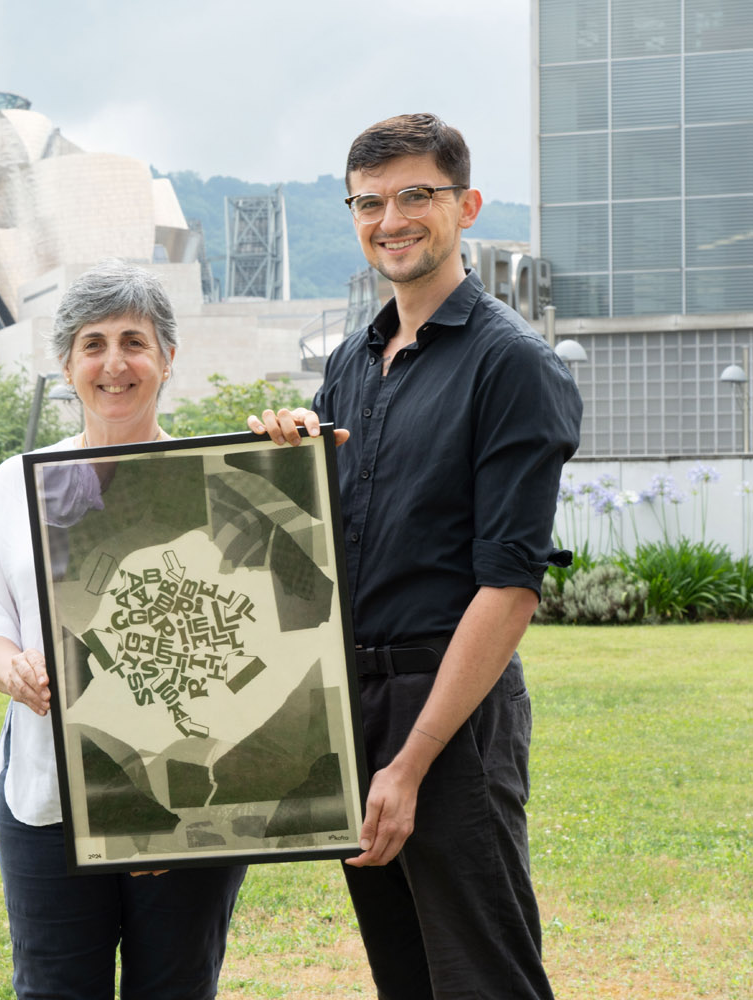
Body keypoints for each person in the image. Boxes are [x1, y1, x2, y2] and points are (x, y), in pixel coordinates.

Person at [250, 113, 582, 1000]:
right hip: (352, 704)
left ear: (466, 206)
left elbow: (509, 588)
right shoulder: (353, 363)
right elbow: (317, 548)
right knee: (404, 977)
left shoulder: (512, 364)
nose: (390, 220)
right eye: (369, 203)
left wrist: (410, 763)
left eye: (415, 196)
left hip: (449, 713)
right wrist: (283, 464)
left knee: (484, 978)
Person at [0, 259, 248, 1000]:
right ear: (66, 364)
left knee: (174, 988)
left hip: (187, 795)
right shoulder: (18, 483)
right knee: (54, 988)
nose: (114, 364)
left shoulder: (217, 482)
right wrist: (10, 667)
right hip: (48, 798)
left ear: (167, 359)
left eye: (134, 342)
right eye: (93, 344)